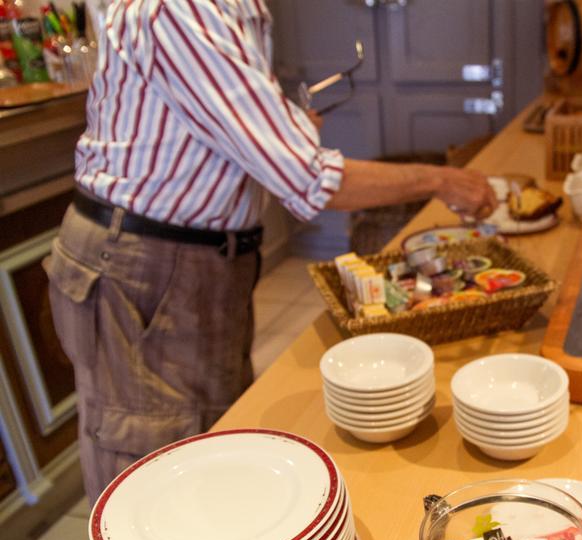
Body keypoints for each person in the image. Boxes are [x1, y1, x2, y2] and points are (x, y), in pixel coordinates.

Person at [46, 0, 498, 503]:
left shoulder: (237, 10)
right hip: (141, 264)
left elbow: (221, 136)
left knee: (213, 443)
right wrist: (442, 180)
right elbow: (311, 179)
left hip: (199, 263)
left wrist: (282, 129)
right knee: (152, 465)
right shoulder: (181, 9)